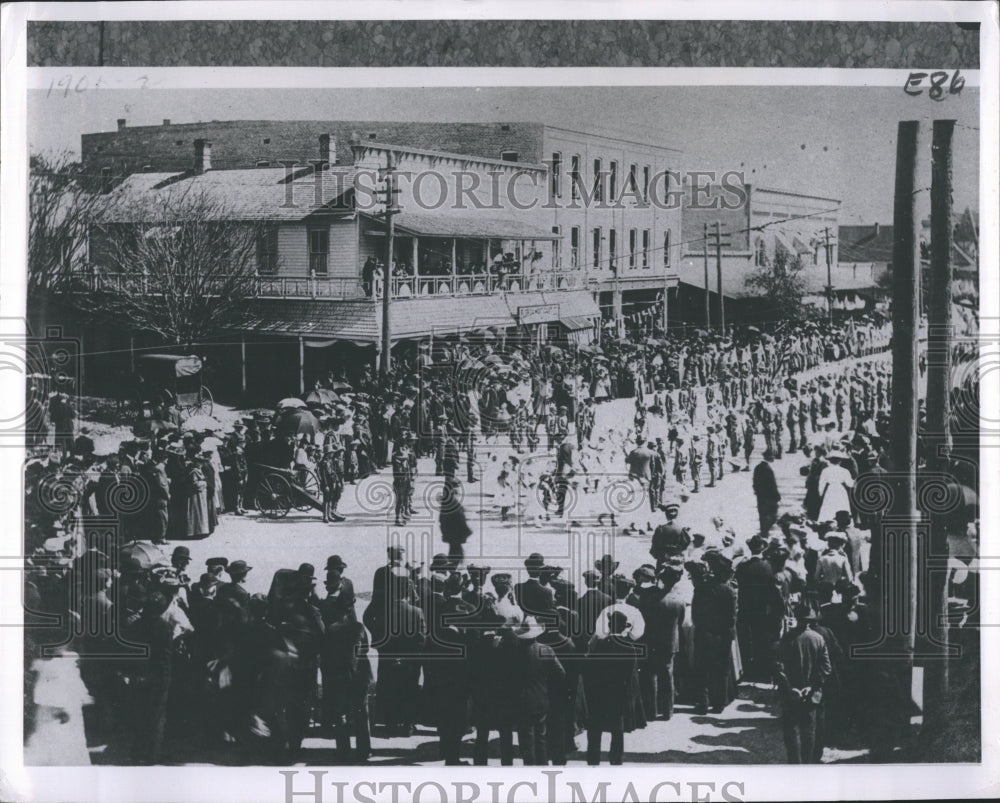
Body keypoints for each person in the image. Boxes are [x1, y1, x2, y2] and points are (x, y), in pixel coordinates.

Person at [774, 601, 832, 763]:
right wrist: (811, 687)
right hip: (811, 695)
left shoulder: (787, 638)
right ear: (811, 620)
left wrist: (790, 687)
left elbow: (779, 666)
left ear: (797, 618)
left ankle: (795, 765)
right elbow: (826, 668)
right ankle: (807, 765)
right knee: (809, 731)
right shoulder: (818, 639)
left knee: (791, 730)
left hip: (790, 694)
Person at [583, 609, 641, 765]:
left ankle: (593, 760)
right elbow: (631, 678)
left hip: (598, 694)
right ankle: (616, 760)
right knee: (617, 730)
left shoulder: (599, 644)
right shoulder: (630, 649)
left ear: (609, 625)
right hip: (618, 695)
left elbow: (589, 669)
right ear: (624, 627)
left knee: (595, 730)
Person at [510, 616, 565, 766]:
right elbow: (560, 673)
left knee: (526, 737)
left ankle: (530, 767)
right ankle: (542, 765)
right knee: (541, 736)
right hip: (541, 697)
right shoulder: (546, 650)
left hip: (521, 699)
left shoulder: (515, 653)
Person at [636, 558, 686, 720]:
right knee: (667, 675)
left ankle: (651, 711)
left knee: (649, 675)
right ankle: (667, 711)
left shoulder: (650, 598)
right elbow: (680, 622)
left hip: (650, 640)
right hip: (670, 642)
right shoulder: (679, 601)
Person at [691, 551, 738, 714]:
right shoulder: (729, 591)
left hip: (704, 633)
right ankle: (719, 703)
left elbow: (695, 615)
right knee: (721, 669)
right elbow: (732, 618)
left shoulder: (701, 588)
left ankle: (703, 703)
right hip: (723, 635)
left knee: (702, 669)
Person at [752, 448, 781, 535]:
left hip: (760, 497)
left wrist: (757, 492)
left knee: (762, 515)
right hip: (769, 498)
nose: (773, 458)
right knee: (773, 516)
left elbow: (755, 483)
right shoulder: (768, 469)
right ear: (768, 457)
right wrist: (777, 496)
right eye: (772, 456)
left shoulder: (758, 467)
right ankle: (764, 532)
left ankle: (763, 532)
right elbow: (772, 485)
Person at [317, 441, 346, 523]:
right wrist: (325, 485)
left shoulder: (330, 461)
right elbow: (323, 476)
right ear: (327, 453)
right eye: (331, 453)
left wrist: (335, 481)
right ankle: (325, 516)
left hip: (331, 482)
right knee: (326, 500)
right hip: (326, 483)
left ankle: (329, 514)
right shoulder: (323, 463)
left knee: (330, 499)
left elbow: (334, 472)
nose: (332, 454)